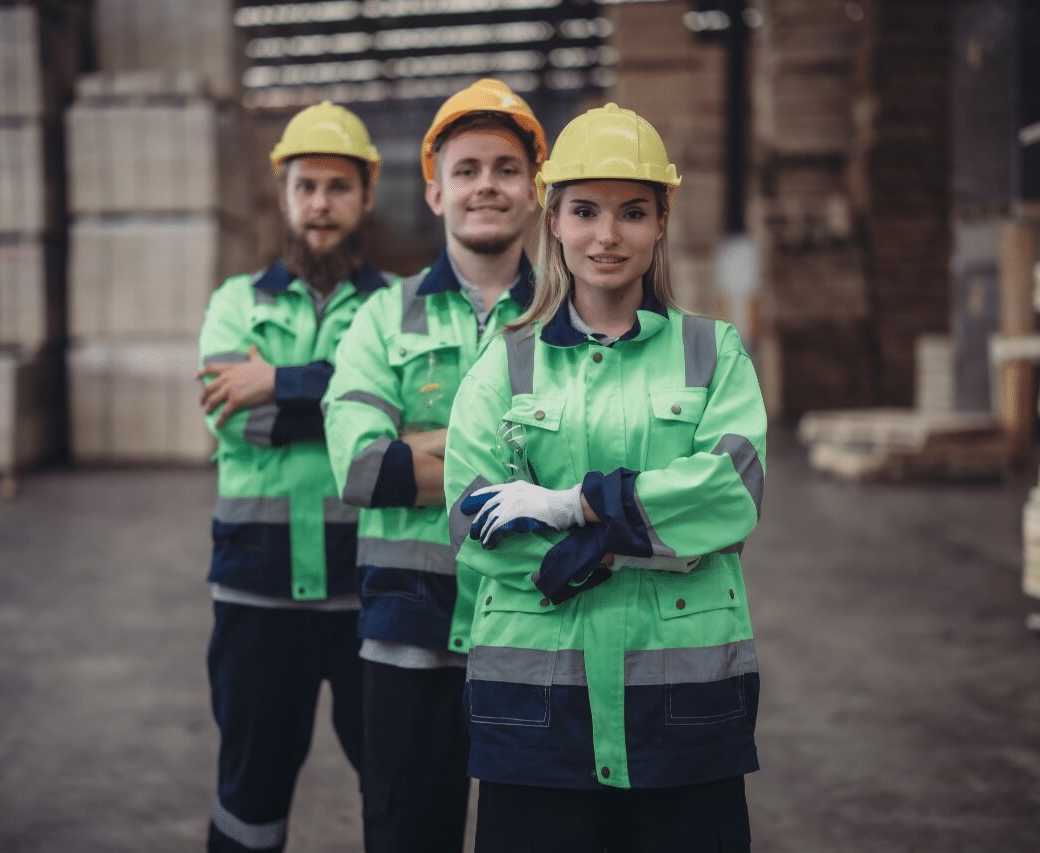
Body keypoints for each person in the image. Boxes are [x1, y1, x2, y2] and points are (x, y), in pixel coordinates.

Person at [443, 102, 768, 853]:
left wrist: (568, 505)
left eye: (633, 212)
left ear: (661, 224)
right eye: (585, 210)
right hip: (537, 714)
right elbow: (473, 523)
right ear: (552, 220)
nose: (607, 235)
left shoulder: (712, 352)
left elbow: (731, 494)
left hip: (684, 713)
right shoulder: (508, 361)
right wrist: (655, 538)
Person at [321, 79, 547, 853]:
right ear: (436, 190)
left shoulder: (571, 316)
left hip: (538, 631)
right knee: (405, 835)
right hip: (407, 630)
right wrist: (517, 470)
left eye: (507, 167)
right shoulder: (383, 315)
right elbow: (360, 469)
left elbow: (592, 467)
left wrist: (425, 446)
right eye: (468, 167)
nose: (487, 183)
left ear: (535, 189)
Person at [196, 102, 391, 852]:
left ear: (367, 195)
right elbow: (232, 416)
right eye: (306, 185)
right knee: (249, 789)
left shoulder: (395, 308)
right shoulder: (234, 302)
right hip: (257, 593)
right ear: (283, 195)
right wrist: (347, 401)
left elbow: (400, 423)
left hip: (368, 593)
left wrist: (276, 380)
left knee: (395, 783)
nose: (320, 204)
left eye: (338, 186)